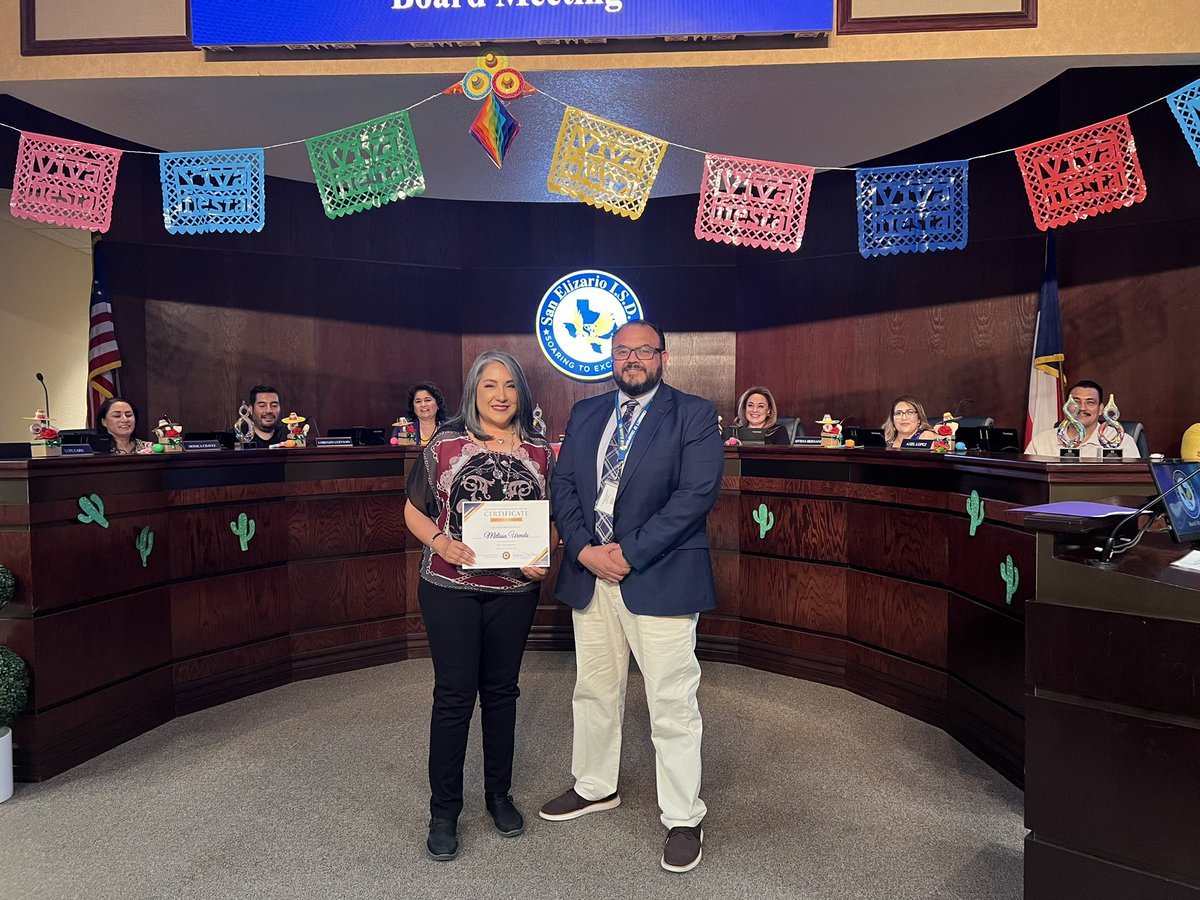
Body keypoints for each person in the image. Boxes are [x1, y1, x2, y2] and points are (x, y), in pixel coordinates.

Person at [539, 320, 723, 874]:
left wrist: (627, 552)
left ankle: (683, 816)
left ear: (663, 357)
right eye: (622, 351)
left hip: (658, 573)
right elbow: (564, 485)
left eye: (643, 350)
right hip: (590, 573)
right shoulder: (586, 413)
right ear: (611, 358)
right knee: (593, 689)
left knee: (671, 699)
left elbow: (696, 494)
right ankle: (595, 786)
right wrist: (582, 548)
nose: (632, 358)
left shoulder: (693, 413)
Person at [402, 350, 556, 862]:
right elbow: (413, 510)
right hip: (450, 587)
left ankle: (498, 796)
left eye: (510, 385)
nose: (500, 395)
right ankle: (444, 810)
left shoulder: (540, 449)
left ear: (520, 393)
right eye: (489, 384)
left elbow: (550, 515)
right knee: (453, 697)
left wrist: (544, 554)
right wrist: (441, 543)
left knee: (501, 693)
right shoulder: (444, 442)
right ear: (474, 390)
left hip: (515, 592)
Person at [1024, 379, 1140, 458]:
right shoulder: (1041, 441)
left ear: (1101, 409)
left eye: (1090, 402)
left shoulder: (1123, 442)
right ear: (1066, 407)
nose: (1082, 408)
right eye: (1076, 402)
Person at [725, 386, 790, 445]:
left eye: (760, 406)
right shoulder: (734, 432)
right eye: (750, 405)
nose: (754, 410)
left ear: (769, 410)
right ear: (744, 409)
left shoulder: (778, 432)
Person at [408, 381, 449, 446]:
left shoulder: (451, 426)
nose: (423, 405)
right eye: (418, 401)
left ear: (438, 404)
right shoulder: (403, 429)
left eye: (428, 400)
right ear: (413, 407)